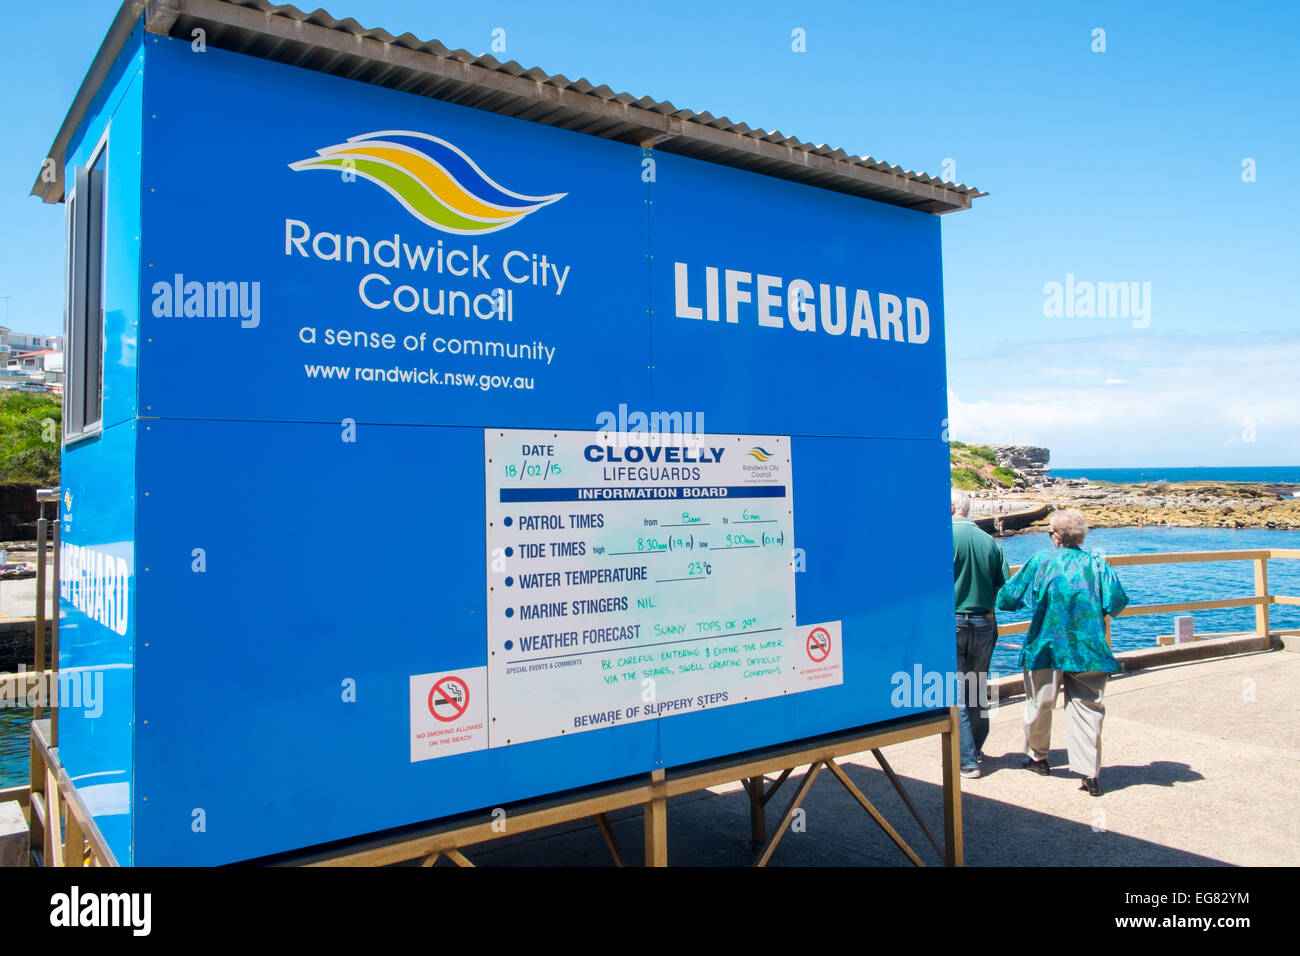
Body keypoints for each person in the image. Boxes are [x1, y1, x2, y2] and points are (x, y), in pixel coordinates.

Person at [996, 509, 1129, 796]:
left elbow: (1007, 598)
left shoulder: (1042, 561)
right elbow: (1117, 602)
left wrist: (1026, 603)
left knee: (1039, 704)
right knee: (1087, 709)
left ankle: (1038, 758)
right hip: (1088, 649)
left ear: (1056, 537)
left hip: (1046, 645)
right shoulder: (1096, 564)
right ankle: (1089, 774)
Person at [951, 488, 1010, 779]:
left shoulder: (941, 539)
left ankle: (967, 761)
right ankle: (975, 747)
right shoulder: (990, 542)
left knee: (959, 693)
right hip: (985, 621)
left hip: (952, 622)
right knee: (978, 688)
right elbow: (1002, 586)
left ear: (951, 507)